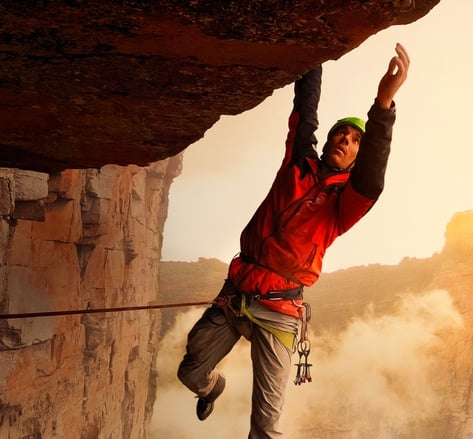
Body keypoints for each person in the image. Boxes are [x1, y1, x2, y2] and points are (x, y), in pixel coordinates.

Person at [176, 43, 410, 438]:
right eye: (342, 134)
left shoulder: (345, 204)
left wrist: (383, 105)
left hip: (280, 311)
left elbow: (372, 178)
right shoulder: (298, 163)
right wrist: (314, 50)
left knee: (265, 427)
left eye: (355, 141)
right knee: (190, 372)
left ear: (358, 156)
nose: (345, 141)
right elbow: (305, 113)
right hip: (238, 291)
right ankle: (212, 386)